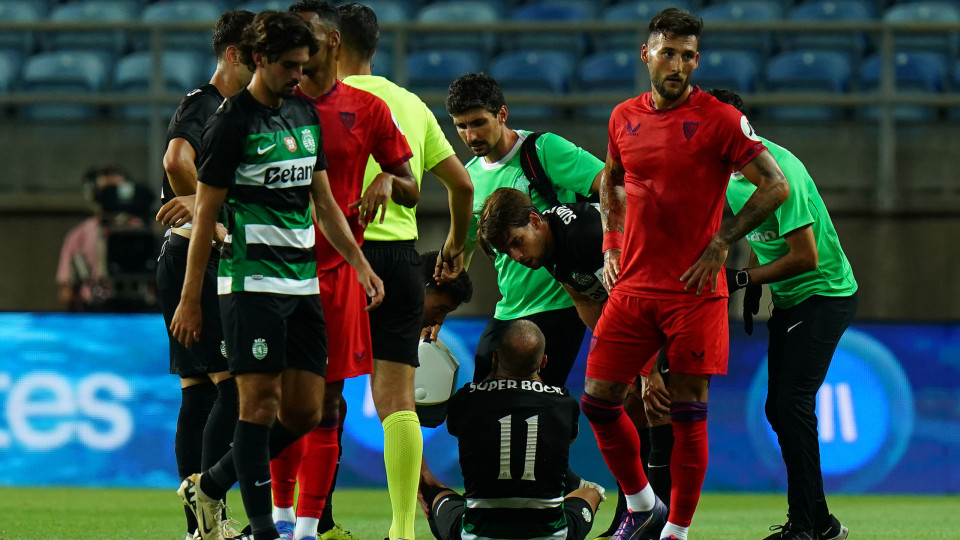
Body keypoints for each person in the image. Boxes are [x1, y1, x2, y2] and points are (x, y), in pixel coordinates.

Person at [578, 8, 791, 540]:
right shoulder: (623, 116)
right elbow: (612, 181)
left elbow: (776, 185)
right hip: (632, 286)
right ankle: (642, 503)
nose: (679, 64)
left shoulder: (719, 119)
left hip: (695, 291)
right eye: (669, 52)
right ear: (646, 54)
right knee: (598, 401)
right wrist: (610, 243)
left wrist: (723, 241)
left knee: (687, 410)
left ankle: (677, 531)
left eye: (689, 55)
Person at [171, 11, 383, 540]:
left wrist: (360, 264)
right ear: (259, 59)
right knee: (259, 407)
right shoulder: (230, 121)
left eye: (303, 65)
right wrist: (191, 296)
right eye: (289, 66)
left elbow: (325, 203)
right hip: (250, 285)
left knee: (308, 412)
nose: (298, 75)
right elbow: (205, 215)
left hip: (303, 285)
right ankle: (264, 529)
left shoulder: (306, 115)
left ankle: (212, 484)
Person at [267, 3, 416, 540]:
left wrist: (385, 182)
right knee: (281, 400)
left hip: (336, 274)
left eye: (305, 34)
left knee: (328, 401)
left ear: (329, 40)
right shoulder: (271, 105)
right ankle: (280, 520)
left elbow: (412, 183)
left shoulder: (368, 108)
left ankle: (306, 529)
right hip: (274, 269)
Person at [336, 4, 474, 539]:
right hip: (400, 258)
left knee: (318, 395)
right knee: (397, 402)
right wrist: (456, 246)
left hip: (342, 255)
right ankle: (401, 528)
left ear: (331, 44)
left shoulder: (324, 101)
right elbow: (461, 185)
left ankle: (306, 520)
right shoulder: (412, 104)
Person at [476, 186, 674, 538]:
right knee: (616, 402)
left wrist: (650, 370)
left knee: (655, 405)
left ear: (535, 220)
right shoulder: (550, 247)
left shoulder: (584, 235)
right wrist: (616, 356)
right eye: (507, 250)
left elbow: (638, 299)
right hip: (640, 310)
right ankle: (639, 512)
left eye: (516, 242)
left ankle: (662, 519)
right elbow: (584, 298)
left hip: (673, 300)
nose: (516, 255)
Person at [708, 88, 856, 540]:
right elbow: (751, 234)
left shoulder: (780, 171)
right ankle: (822, 523)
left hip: (824, 294)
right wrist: (755, 273)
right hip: (792, 299)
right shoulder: (729, 173)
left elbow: (806, 258)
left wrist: (744, 281)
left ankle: (805, 527)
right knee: (781, 407)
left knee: (790, 405)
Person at [153, 10, 255, 540]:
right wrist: (207, 217)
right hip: (198, 256)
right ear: (233, 55)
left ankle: (200, 526)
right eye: (254, 55)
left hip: (181, 254)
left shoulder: (230, 109)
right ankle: (210, 509)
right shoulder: (207, 103)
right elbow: (175, 160)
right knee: (233, 389)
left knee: (199, 394)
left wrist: (197, 207)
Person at [444, 72, 602, 388]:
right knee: (483, 401)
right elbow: (461, 254)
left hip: (560, 304)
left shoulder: (544, 150)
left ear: (502, 114)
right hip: (508, 309)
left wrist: (614, 250)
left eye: (478, 122)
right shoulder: (468, 179)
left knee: (539, 410)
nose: (470, 134)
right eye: (461, 126)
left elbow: (610, 186)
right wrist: (438, 310)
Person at [418, 320, 605, 540]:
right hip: (552, 535)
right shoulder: (564, 404)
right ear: (543, 361)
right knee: (592, 492)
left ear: (495, 357)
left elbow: (454, 428)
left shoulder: (466, 401)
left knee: (431, 486)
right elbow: (566, 439)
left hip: (476, 534)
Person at [56, 166, 155, 312]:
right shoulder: (79, 236)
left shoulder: (146, 233)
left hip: (142, 312)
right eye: (106, 192)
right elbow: (67, 292)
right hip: (94, 312)